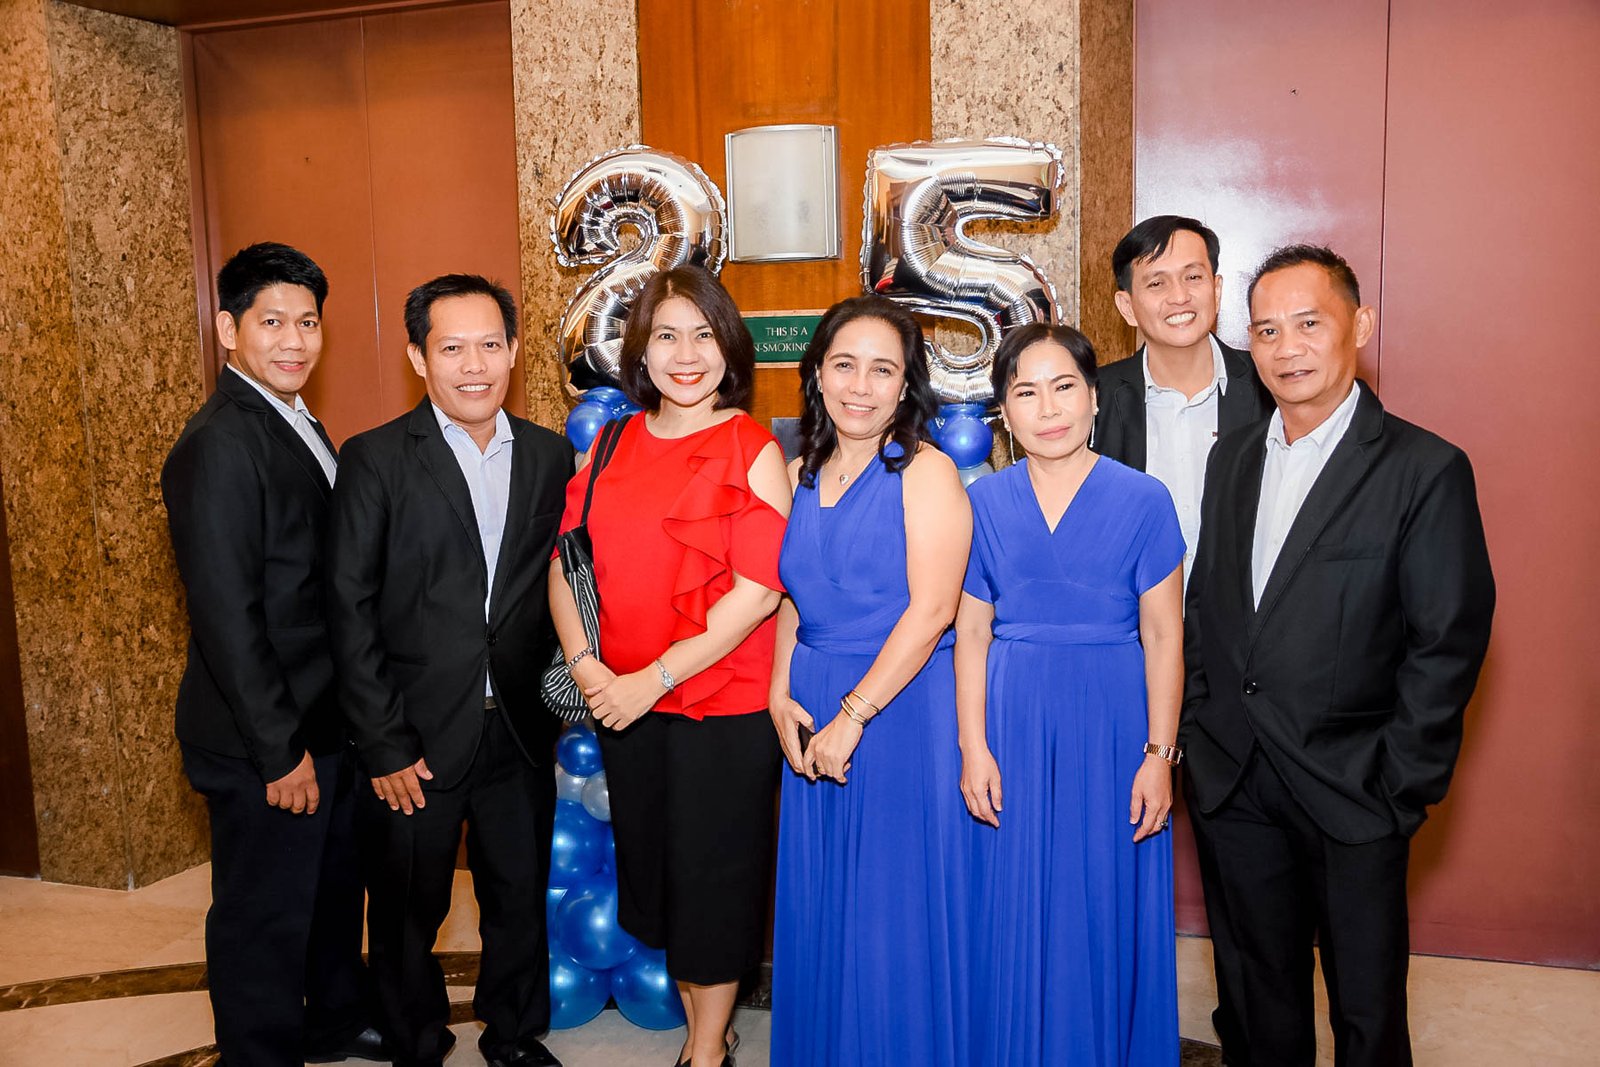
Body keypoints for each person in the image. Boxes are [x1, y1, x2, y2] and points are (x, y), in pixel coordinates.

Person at [1182, 245, 1495, 1066]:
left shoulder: (1424, 469)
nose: (1286, 348)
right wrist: (1198, 726)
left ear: (1360, 325)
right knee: (1257, 1000)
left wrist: (1400, 784)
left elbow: (1447, 640)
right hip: (1233, 779)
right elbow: (1207, 601)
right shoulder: (1233, 456)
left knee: (1365, 1011)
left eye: (1308, 324)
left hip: (1355, 787)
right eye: (1266, 330)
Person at [328, 274, 572, 1067]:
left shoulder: (549, 455)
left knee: (517, 896)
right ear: (418, 356)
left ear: (513, 350)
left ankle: (514, 1033)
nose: (475, 365)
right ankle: (414, 1037)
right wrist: (383, 742)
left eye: (490, 344)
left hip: (519, 730)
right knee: (407, 904)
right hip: (415, 735)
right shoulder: (374, 459)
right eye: (453, 347)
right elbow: (349, 608)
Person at [549, 266, 789, 1067]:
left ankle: (707, 1047)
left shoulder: (751, 447)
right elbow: (566, 560)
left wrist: (649, 680)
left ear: (730, 348)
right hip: (623, 701)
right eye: (667, 336)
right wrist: (586, 666)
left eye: (703, 335)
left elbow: (758, 593)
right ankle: (706, 1027)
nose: (686, 355)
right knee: (659, 877)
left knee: (713, 881)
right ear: (641, 352)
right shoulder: (612, 441)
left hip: (718, 707)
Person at [161, 242, 385, 1066]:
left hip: (324, 719)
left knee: (329, 892)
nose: (294, 340)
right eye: (272, 322)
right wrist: (279, 751)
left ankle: (332, 1021)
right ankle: (258, 1053)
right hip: (266, 735)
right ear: (228, 329)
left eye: (308, 322)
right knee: (264, 913)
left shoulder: (294, 419)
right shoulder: (220, 442)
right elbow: (228, 616)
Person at [955, 323, 1184, 1065]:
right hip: (1012, 725)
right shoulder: (983, 503)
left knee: (1102, 902)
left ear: (1094, 397)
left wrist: (1159, 756)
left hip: (1113, 727)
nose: (1047, 408)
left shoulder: (1145, 499)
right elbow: (972, 633)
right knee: (1012, 902)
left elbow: (1164, 635)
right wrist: (972, 747)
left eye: (1064, 387)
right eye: (1026, 392)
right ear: (1004, 411)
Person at [769, 295, 973, 1067]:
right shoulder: (795, 472)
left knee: (890, 909)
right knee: (826, 901)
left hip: (899, 708)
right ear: (817, 373)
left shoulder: (926, 470)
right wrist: (778, 689)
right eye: (845, 364)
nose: (861, 385)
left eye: (882, 369)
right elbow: (792, 594)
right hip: (812, 697)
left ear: (906, 383)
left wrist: (854, 714)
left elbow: (933, 609)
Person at [1093, 215, 1271, 1062]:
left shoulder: (1270, 390)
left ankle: (1250, 1039)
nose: (1178, 296)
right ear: (1127, 304)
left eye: (1194, 276)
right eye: (1155, 282)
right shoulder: (1091, 398)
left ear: (1218, 287)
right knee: (1109, 865)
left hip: (1247, 673)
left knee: (1249, 889)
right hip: (1124, 667)